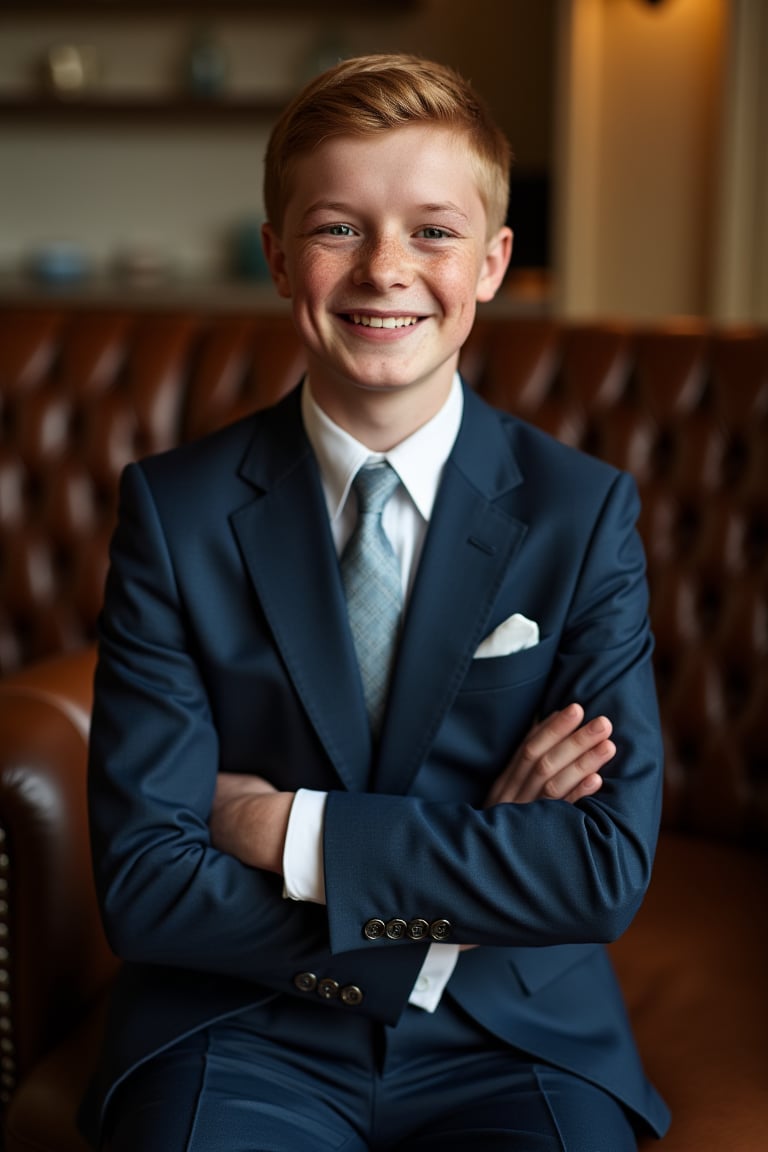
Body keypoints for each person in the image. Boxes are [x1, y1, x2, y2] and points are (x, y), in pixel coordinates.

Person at [81, 53, 670, 1151]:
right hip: (242, 1024)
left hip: (515, 1035)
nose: (385, 268)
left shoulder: (584, 515)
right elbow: (148, 884)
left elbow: (597, 872)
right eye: (339, 228)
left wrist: (285, 826)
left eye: (433, 231)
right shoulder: (175, 510)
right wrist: (480, 861)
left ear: (492, 262)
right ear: (277, 256)